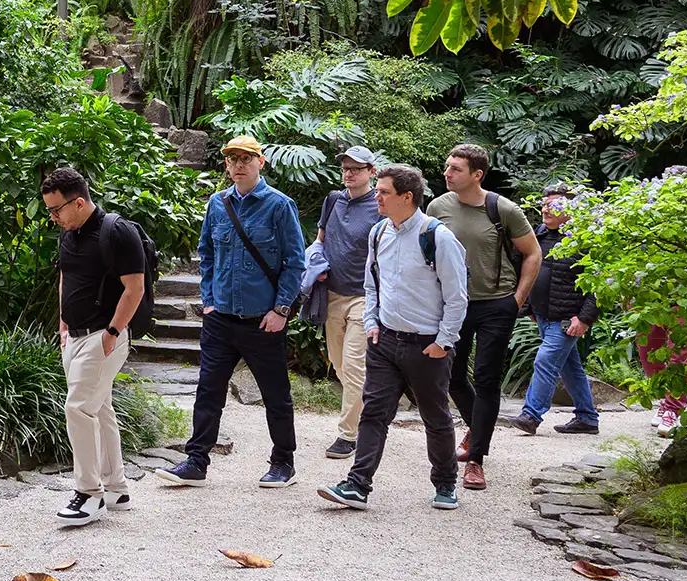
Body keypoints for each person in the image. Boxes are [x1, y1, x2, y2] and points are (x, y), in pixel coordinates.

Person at [156, 135, 307, 488]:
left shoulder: (279, 205)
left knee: (276, 395)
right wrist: (207, 299)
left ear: (260, 162)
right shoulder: (217, 204)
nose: (239, 164)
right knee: (209, 390)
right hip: (220, 318)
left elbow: (295, 262)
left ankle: (283, 462)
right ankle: (197, 460)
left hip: (263, 321)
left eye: (246, 158)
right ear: (226, 164)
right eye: (232, 159)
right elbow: (206, 253)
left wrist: (282, 309)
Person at [317, 164, 469, 512]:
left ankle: (445, 483)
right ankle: (357, 485)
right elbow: (372, 283)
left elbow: (458, 295)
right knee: (373, 413)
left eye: (384, 192)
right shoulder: (379, 233)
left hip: (427, 345)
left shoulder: (437, 236)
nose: (378, 198)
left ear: (407, 197)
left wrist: (444, 341)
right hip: (384, 341)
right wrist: (372, 322)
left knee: (436, 416)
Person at [425, 143, 541, 491]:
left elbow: (533, 253)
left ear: (477, 174)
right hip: (452, 305)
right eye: (447, 166)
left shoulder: (502, 209)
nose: (447, 173)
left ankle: (476, 459)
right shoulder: (437, 207)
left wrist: (517, 299)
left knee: (488, 379)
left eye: (456, 169)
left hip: (495, 304)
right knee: (452, 376)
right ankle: (477, 425)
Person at [43, 167, 147, 527]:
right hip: (73, 336)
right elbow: (65, 277)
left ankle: (89, 494)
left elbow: (135, 288)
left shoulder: (116, 232)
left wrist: (113, 333)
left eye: (56, 210)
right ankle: (116, 488)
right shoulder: (68, 234)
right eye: (49, 211)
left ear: (80, 202)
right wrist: (62, 323)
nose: (53, 217)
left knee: (77, 408)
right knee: (100, 408)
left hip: (104, 335)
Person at [508, 184, 600, 436]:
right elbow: (525, 271)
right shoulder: (537, 235)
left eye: (554, 204)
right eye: (544, 203)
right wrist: (527, 306)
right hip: (542, 315)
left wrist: (584, 318)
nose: (546, 209)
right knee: (570, 368)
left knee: (545, 361)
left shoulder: (585, 239)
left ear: (572, 209)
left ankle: (531, 415)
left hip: (567, 319)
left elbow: (600, 285)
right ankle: (587, 417)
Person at [313, 146, 383, 459]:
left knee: (354, 366)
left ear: (371, 171)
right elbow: (320, 240)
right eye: (345, 167)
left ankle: (348, 435)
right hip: (332, 293)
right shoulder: (333, 200)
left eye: (356, 168)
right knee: (341, 365)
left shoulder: (379, 205)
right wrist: (313, 263)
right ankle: (373, 413)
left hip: (365, 297)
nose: (349, 173)